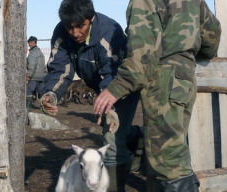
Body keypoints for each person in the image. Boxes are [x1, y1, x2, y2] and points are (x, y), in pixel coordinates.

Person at [94, 0, 221, 191]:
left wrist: (118, 87)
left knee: (168, 162)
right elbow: (212, 33)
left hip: (162, 79)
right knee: (169, 154)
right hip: (185, 80)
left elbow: (143, 52)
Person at [40, 0, 141, 191]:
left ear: (91, 18)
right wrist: (51, 94)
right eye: (70, 27)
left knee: (111, 138)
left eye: (81, 26)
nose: (75, 33)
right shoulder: (61, 33)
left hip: (123, 86)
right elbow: (60, 68)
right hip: (102, 88)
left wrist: (110, 106)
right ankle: (138, 138)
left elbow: (113, 72)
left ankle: (113, 188)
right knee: (119, 131)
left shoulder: (109, 31)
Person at [26, 36, 46, 110]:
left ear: (32, 42)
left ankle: (28, 107)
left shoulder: (32, 53)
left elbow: (31, 66)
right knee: (42, 93)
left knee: (29, 92)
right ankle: (46, 106)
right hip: (41, 76)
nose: (28, 44)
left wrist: (28, 75)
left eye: (29, 42)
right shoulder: (40, 53)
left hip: (34, 76)